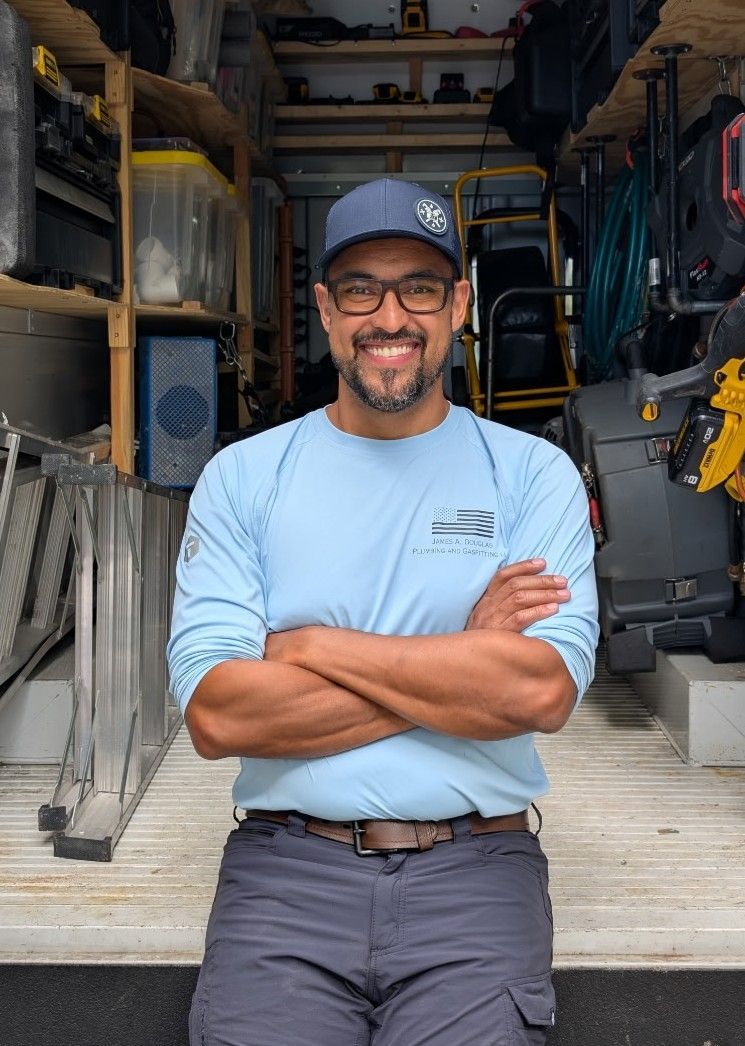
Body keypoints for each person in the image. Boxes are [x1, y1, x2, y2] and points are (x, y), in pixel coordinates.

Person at [167, 177, 599, 1046]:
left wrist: (307, 647)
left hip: (475, 872)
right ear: (326, 309)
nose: (390, 317)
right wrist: (463, 657)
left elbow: (537, 696)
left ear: (458, 306)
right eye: (362, 287)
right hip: (285, 876)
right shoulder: (245, 478)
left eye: (420, 289)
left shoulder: (530, 474)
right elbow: (218, 714)